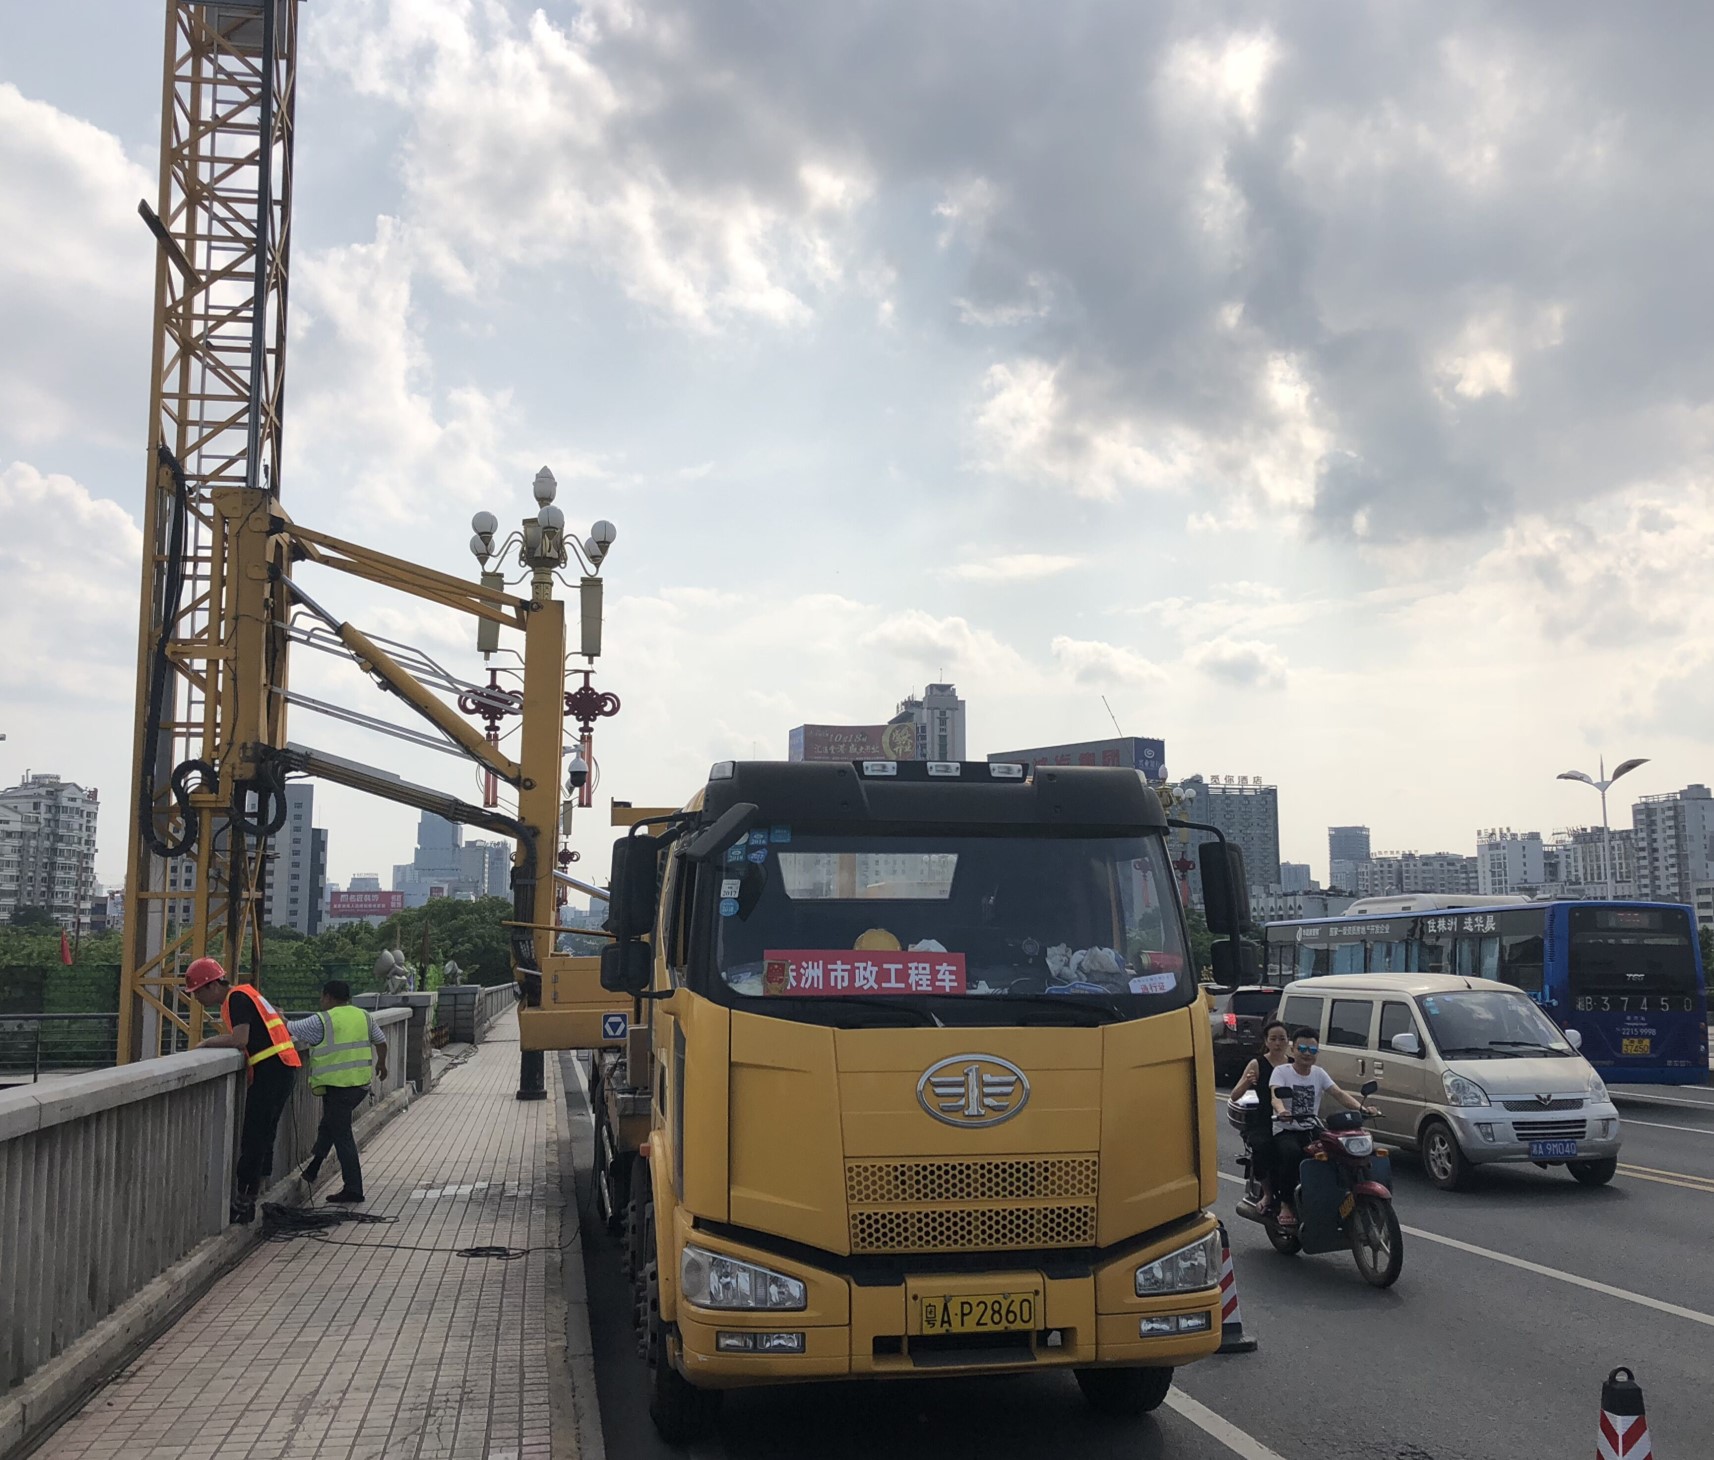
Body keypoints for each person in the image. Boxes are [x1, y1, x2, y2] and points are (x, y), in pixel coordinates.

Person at [186, 957, 303, 1224]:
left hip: (271, 1070)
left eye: (198, 993)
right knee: (264, 1133)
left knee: (254, 1136)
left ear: (213, 985)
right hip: (282, 1067)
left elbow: (240, 1040)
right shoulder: (247, 993)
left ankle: (245, 1200)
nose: (196, 999)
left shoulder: (237, 999)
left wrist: (208, 1042)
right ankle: (258, 1190)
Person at [288, 980, 390, 1205]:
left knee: (342, 1135)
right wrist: (381, 1064)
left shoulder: (322, 1019)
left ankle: (353, 1188)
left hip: (338, 1087)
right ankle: (313, 1169)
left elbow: (290, 1028)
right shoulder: (363, 1016)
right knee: (330, 1125)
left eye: (322, 997)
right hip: (360, 1085)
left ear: (327, 996)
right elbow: (381, 1042)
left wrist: (277, 1016)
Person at [1269, 1027, 1374, 1227]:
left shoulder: (1319, 1073)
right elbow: (1275, 1096)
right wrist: (1282, 1111)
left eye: (1312, 1050)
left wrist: (1363, 1109)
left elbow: (1338, 1093)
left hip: (1312, 1127)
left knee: (1340, 1149)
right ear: (1292, 1049)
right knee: (1291, 1155)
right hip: (1286, 1129)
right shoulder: (1281, 1072)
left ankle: (1340, 1195)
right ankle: (1286, 1204)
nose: (1307, 1053)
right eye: (1302, 1048)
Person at [1230, 1020, 1291, 1209]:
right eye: (1273, 1039)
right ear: (1266, 1041)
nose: (1278, 1043)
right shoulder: (1257, 1064)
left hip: (1289, 1119)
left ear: (1288, 1041)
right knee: (1262, 1146)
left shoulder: (1294, 1064)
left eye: (1282, 1039)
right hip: (1263, 1119)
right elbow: (1235, 1095)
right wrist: (1248, 1081)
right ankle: (1267, 1193)